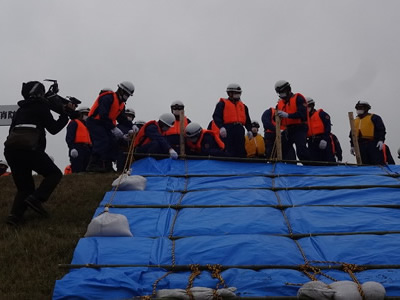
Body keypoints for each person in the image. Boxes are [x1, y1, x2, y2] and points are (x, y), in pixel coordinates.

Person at [3, 80, 71, 226]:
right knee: (54, 174)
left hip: (11, 151)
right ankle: (36, 199)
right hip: (30, 149)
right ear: (39, 93)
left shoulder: (20, 110)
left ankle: (15, 217)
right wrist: (65, 115)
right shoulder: (41, 107)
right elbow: (53, 129)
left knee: (24, 187)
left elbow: (11, 132)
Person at [86, 81, 136, 172]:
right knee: (102, 140)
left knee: (112, 142)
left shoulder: (121, 104)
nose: (127, 97)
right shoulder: (108, 97)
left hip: (104, 123)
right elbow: (103, 115)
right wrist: (113, 128)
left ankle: (107, 165)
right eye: (126, 94)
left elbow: (122, 118)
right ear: (121, 90)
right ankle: (93, 165)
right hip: (95, 122)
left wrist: (132, 126)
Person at [212, 83, 252, 158]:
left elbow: (247, 120)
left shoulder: (243, 106)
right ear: (230, 93)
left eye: (239, 93)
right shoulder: (222, 104)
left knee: (241, 149)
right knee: (229, 149)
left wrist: (249, 130)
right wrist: (221, 127)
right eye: (236, 93)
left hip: (239, 128)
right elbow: (216, 116)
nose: (238, 95)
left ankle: (241, 164)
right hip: (227, 129)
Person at [275, 80, 311, 162]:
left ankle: (309, 168)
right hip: (288, 129)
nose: (281, 94)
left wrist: (288, 115)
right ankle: (283, 168)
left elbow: (302, 114)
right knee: (282, 149)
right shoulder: (279, 104)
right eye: (279, 93)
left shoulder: (298, 98)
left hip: (299, 127)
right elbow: (276, 117)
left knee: (301, 151)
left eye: (282, 92)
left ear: (288, 90)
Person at [350, 101, 392, 165]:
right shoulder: (354, 121)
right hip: (360, 145)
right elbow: (352, 134)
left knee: (376, 163)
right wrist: (352, 145)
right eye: (357, 108)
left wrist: (381, 140)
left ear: (366, 108)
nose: (359, 110)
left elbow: (381, 130)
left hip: (372, 144)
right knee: (363, 164)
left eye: (361, 108)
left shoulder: (374, 117)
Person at [306, 97, 335, 163]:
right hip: (311, 142)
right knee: (314, 162)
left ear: (312, 106)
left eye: (309, 106)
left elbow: (327, 127)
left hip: (322, 139)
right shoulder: (305, 118)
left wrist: (325, 139)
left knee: (328, 160)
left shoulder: (321, 114)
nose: (307, 108)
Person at [65, 106, 92, 173]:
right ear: (80, 114)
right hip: (77, 148)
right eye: (86, 114)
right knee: (77, 168)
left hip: (86, 149)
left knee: (86, 169)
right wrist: (72, 148)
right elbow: (69, 136)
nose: (87, 116)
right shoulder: (74, 123)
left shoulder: (86, 125)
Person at [116, 108, 136, 172]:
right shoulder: (117, 127)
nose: (128, 117)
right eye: (127, 115)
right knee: (121, 167)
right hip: (120, 149)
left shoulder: (134, 127)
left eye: (130, 116)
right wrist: (123, 137)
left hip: (132, 150)